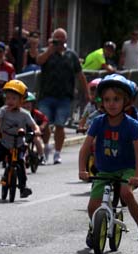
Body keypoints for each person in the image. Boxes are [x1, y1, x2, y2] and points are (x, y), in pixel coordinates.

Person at [78, 75, 138, 250]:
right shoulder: (98, 122)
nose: (111, 103)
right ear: (101, 102)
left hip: (126, 169)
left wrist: (136, 175)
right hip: (104, 170)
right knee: (92, 205)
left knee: (126, 194)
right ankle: (93, 228)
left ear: (125, 101)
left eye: (116, 99)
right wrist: (82, 169)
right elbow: (85, 148)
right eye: (107, 100)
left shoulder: (131, 124)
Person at [0, 80, 40, 197]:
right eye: (8, 98)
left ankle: (23, 187)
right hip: (4, 143)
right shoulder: (3, 110)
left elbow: (33, 125)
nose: (10, 101)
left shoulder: (25, 114)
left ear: (21, 100)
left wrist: (36, 130)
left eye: (14, 98)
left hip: (19, 144)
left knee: (21, 163)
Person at [37, 28, 88, 165]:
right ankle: (46, 146)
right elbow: (39, 61)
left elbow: (80, 74)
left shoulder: (71, 55)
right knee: (44, 123)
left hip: (64, 97)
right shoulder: (46, 52)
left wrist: (87, 92)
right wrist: (50, 50)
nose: (58, 41)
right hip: (46, 95)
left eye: (61, 38)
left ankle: (57, 153)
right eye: (56, 38)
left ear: (65, 40)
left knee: (60, 125)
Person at [23, 92, 48, 165]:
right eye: (24, 103)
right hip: (22, 133)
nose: (26, 105)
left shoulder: (36, 113)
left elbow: (45, 119)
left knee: (37, 140)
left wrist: (42, 127)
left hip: (34, 133)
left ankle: (42, 156)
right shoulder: (18, 113)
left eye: (28, 103)